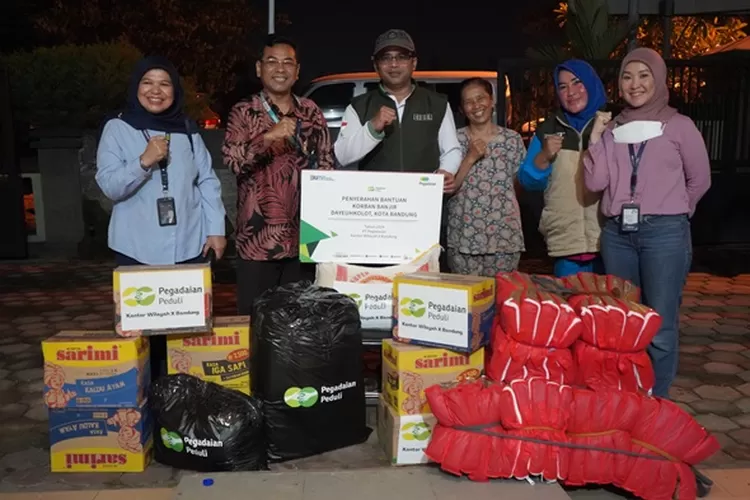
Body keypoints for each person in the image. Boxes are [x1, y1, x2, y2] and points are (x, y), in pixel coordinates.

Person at [583, 47, 711, 398]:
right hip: (618, 235)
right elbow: (595, 184)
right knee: (625, 321)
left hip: (664, 234)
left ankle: (657, 401)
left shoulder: (679, 126)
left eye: (644, 76)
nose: (634, 84)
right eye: (627, 76)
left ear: (659, 80)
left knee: (661, 323)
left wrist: (675, 210)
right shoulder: (613, 130)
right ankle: (629, 395)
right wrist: (594, 141)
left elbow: (700, 179)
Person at [96, 56, 227, 379]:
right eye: (148, 83)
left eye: (165, 83)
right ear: (136, 87)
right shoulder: (118, 128)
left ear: (175, 90)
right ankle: (145, 404)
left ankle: (182, 404)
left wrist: (216, 230)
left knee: (185, 335)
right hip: (136, 248)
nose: (156, 91)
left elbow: (206, 180)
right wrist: (143, 162)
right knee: (141, 339)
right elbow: (111, 186)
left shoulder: (186, 128)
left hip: (188, 246)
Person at [222, 34, 334, 315]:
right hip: (258, 240)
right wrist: (268, 138)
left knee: (300, 321)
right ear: (259, 69)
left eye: (287, 63)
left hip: (305, 238)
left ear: (297, 72)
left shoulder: (310, 111)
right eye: (272, 62)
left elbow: (327, 164)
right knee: (256, 320)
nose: (280, 69)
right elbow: (233, 161)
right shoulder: (244, 112)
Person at [334, 29, 462, 269]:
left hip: (422, 214)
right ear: (376, 65)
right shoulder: (360, 105)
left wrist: (447, 171)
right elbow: (342, 154)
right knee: (376, 283)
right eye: (386, 58)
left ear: (414, 62)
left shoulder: (436, 103)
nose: (394, 64)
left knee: (420, 284)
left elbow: (452, 149)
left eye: (401, 56)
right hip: (375, 218)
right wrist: (372, 128)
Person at [517, 59, 608, 277]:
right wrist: (544, 156)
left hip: (609, 244)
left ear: (591, 83)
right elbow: (528, 181)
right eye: (562, 86)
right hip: (566, 244)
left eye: (577, 83)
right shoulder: (547, 130)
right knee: (569, 308)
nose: (571, 92)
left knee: (608, 309)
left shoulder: (612, 125)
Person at [446, 78, 526, 277]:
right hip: (465, 236)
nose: (476, 106)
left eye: (480, 98)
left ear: (492, 101)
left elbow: (520, 185)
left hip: (504, 236)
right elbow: (448, 187)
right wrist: (470, 157)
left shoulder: (512, 139)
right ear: (462, 109)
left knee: (501, 298)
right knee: (468, 301)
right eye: (468, 102)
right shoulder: (453, 140)